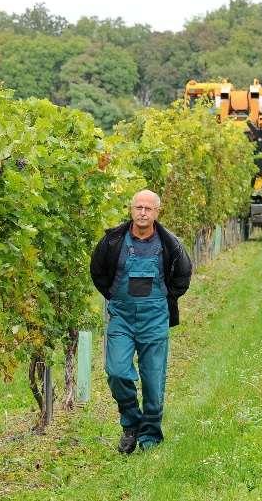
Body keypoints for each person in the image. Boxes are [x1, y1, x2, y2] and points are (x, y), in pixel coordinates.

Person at [89, 189, 192, 453]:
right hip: (122, 317)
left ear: (157, 212)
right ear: (131, 210)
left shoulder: (170, 244)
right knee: (117, 371)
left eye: (148, 208)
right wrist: (112, 295)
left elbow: (183, 275)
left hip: (155, 318)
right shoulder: (112, 241)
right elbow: (98, 271)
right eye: (138, 208)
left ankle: (150, 437)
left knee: (153, 381)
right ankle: (131, 422)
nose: (143, 212)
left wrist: (167, 299)